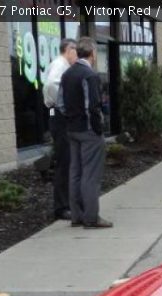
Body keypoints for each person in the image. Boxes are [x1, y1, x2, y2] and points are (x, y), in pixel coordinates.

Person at [58, 36, 112, 229]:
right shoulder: (90, 76)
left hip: (72, 130)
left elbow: (61, 104)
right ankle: (91, 218)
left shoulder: (67, 74)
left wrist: (71, 118)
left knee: (76, 173)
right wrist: (98, 128)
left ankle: (77, 216)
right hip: (89, 131)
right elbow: (93, 106)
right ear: (92, 53)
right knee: (91, 175)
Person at [42, 38, 76, 221]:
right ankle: (61, 207)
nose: (77, 56)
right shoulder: (60, 65)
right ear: (68, 50)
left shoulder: (62, 65)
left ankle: (66, 204)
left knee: (67, 161)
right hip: (60, 118)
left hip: (59, 117)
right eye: (75, 51)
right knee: (64, 162)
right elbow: (51, 85)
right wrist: (63, 105)